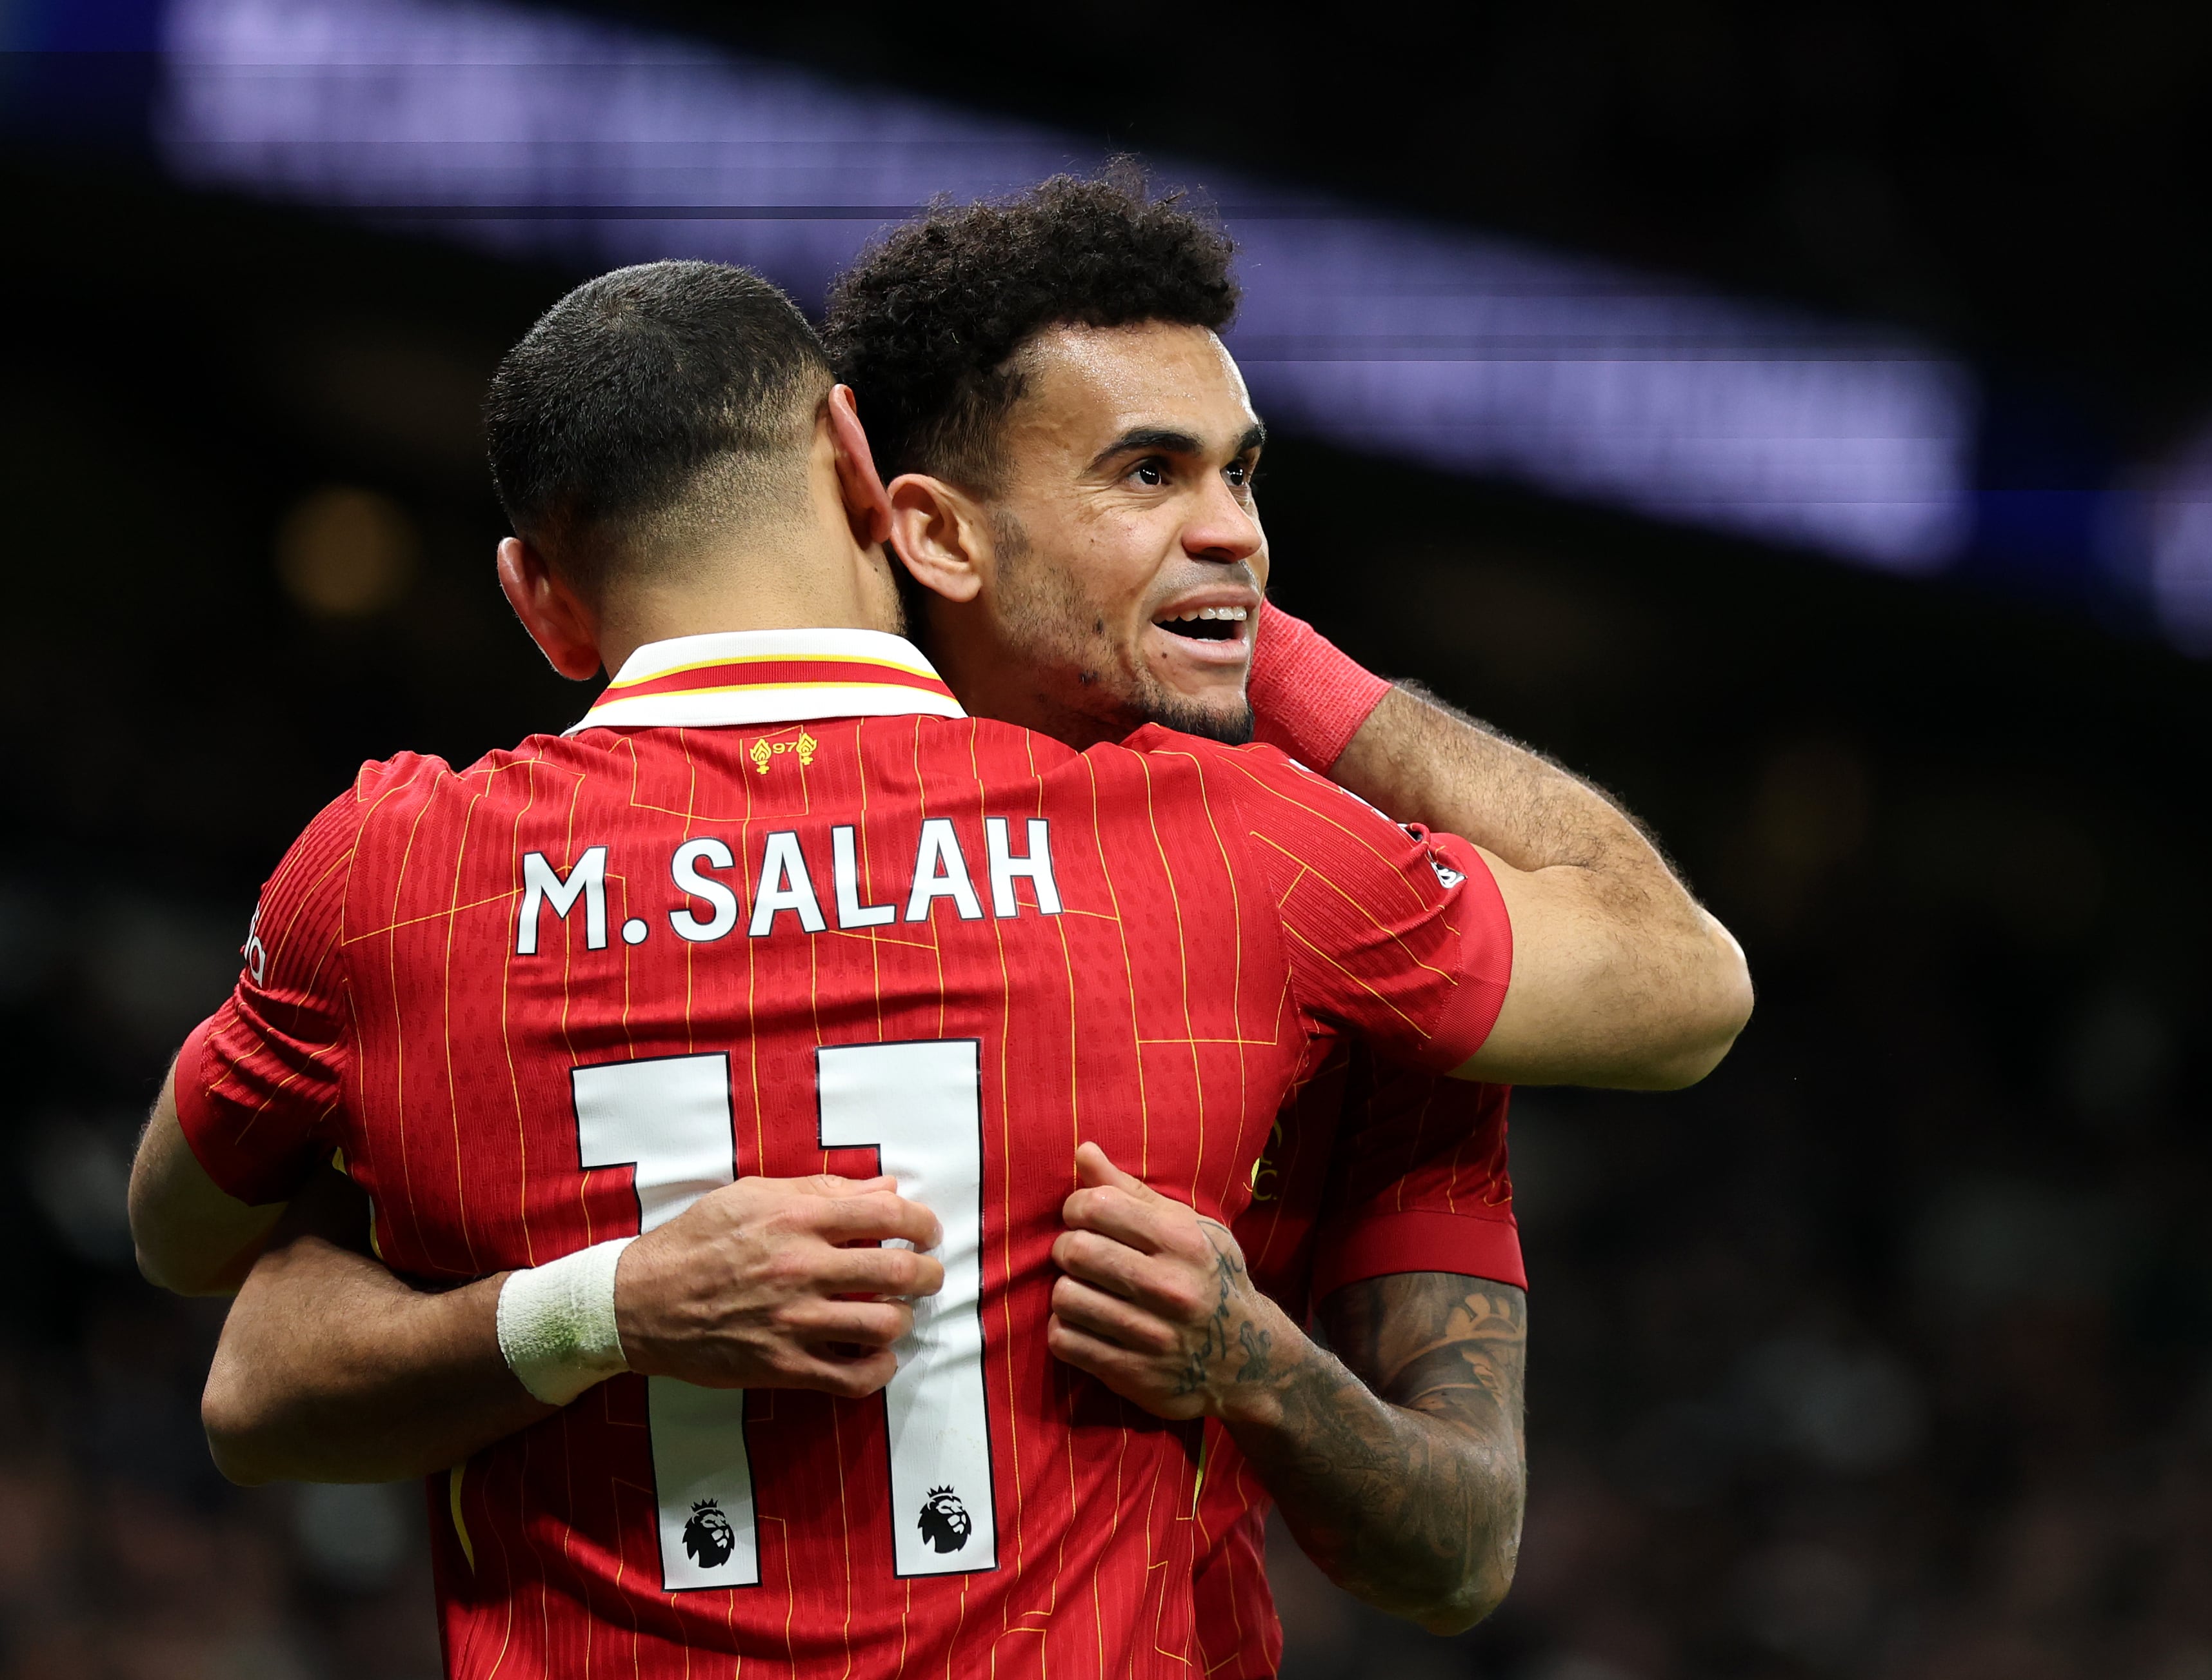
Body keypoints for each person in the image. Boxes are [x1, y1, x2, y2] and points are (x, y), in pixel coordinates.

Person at [145, 181, 1753, 1670]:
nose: (1237, 540)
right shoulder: (1252, 866)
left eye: (1241, 475)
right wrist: (609, 1307)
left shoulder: (414, 881)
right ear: (904, 510)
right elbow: (258, 1371)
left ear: (539, 592)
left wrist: (1259, 1369)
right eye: (1147, 472)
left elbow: (1460, 1548)